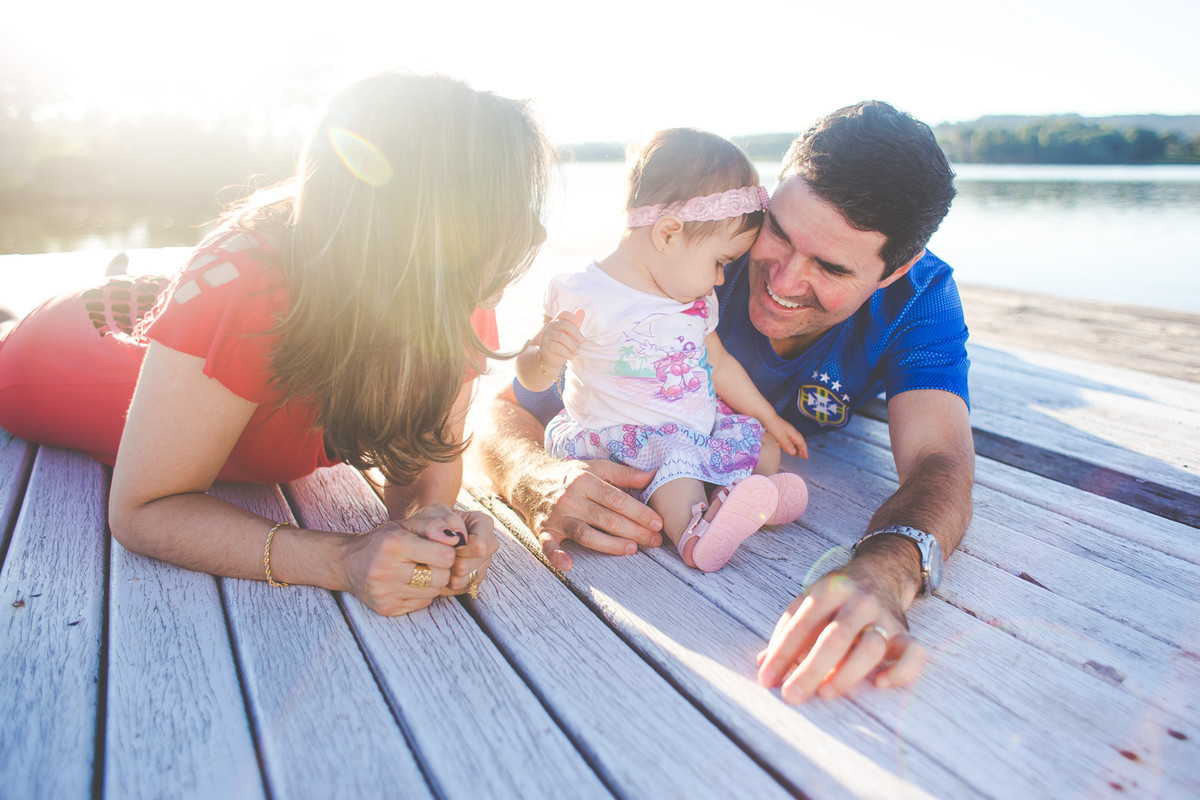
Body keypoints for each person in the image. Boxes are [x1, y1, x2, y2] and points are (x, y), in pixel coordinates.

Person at [470, 101, 974, 702]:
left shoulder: (921, 300)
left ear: (896, 271)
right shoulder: (697, 254)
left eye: (831, 268)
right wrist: (532, 474)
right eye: (780, 233)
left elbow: (941, 461)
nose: (782, 282)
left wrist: (886, 571)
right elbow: (506, 406)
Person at [0, 72, 552, 617]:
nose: (537, 233)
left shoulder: (450, 290)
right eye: (506, 207)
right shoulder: (249, 285)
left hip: (182, 308)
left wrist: (434, 524)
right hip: (61, 352)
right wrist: (342, 559)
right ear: (429, 217)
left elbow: (427, 462)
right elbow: (143, 509)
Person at [515, 129, 810, 573]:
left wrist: (769, 417)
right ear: (669, 233)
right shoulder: (583, 293)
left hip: (692, 430)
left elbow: (720, 364)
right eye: (720, 263)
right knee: (678, 478)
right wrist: (545, 358)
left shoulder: (693, 301)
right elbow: (529, 375)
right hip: (625, 446)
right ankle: (695, 536)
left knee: (761, 447)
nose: (719, 281)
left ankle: (747, 500)